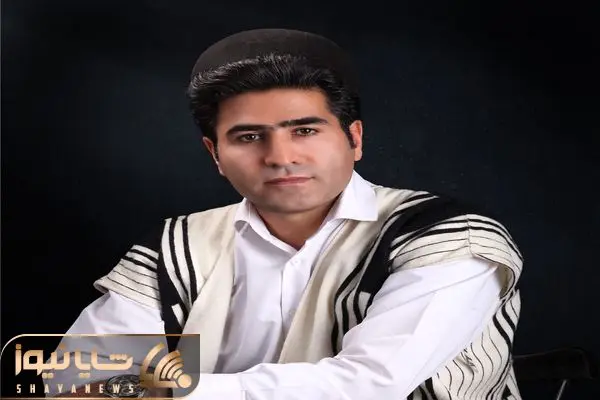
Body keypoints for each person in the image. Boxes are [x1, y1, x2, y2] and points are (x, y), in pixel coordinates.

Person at [46, 28, 524, 399]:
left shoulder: (447, 236)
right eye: (249, 137)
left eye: (305, 131)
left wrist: (166, 391)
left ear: (354, 139)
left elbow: (369, 386)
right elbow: (77, 378)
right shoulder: (175, 246)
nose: (280, 157)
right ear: (215, 154)